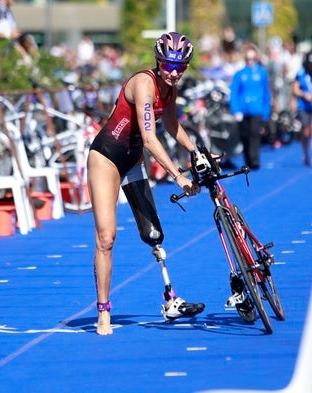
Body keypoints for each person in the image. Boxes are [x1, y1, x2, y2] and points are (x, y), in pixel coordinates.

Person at [87, 32, 208, 336]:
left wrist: (196, 153)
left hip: (133, 158)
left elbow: (171, 124)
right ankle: (103, 310)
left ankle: (170, 299)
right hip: (106, 158)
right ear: (158, 61)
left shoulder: (170, 89)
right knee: (106, 237)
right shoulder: (145, 84)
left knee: (153, 233)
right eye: (169, 66)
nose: (174, 72)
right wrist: (178, 176)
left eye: (181, 67)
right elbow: (151, 136)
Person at [229, 45, 272, 170]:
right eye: (248, 59)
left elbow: (266, 93)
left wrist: (266, 111)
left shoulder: (262, 73)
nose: (250, 61)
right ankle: (248, 159)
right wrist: (235, 110)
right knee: (244, 136)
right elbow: (234, 93)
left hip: (256, 110)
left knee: (254, 134)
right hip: (243, 111)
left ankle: (255, 160)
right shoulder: (240, 74)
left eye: (253, 58)